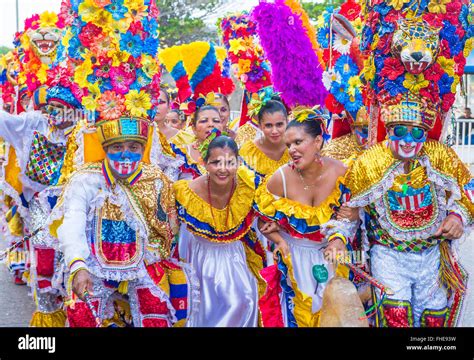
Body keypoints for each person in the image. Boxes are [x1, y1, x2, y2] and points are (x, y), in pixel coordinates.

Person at [331, 95, 474, 327]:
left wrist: (457, 216)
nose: (408, 140)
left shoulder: (438, 155)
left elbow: (468, 190)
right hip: (389, 257)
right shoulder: (370, 162)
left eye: (416, 133)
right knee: (395, 316)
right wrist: (338, 237)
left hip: (432, 256)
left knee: (434, 319)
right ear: (388, 131)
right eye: (399, 131)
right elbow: (348, 211)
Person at [254, 107, 357, 327]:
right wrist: (279, 240)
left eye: (298, 142)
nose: (292, 150)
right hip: (294, 259)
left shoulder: (342, 173)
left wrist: (339, 238)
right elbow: (261, 217)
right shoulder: (280, 177)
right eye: (288, 145)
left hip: (332, 259)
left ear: (318, 141)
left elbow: (353, 216)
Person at [174, 132, 265, 327]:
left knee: (243, 301)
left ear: (238, 162)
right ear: (205, 164)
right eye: (216, 163)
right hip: (200, 259)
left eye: (229, 162)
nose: (223, 169)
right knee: (202, 311)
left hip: (235, 256)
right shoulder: (187, 192)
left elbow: (269, 212)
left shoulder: (247, 186)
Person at [240, 97, 290, 184]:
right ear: (259, 125)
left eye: (279, 124)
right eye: (268, 125)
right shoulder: (249, 152)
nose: (274, 131)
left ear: (287, 122)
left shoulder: (296, 149)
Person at [171, 105, 225, 180]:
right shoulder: (181, 154)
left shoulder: (231, 152)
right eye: (204, 121)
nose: (211, 124)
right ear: (194, 129)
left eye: (216, 121)